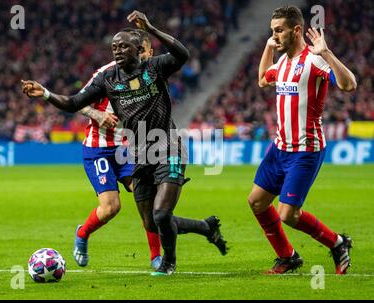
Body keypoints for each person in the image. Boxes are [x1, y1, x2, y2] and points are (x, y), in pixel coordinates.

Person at [21, 11, 228, 276]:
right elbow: (74, 103)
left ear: (139, 49)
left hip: (168, 147)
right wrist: (46, 93)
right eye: (114, 46)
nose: (117, 50)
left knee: (162, 215)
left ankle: (167, 262)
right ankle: (206, 227)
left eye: (123, 46)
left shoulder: (154, 68)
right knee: (153, 221)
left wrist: (151, 27)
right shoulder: (107, 78)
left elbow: (183, 55)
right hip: (139, 153)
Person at [250, 6, 357, 274]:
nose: (275, 35)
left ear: (296, 30)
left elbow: (348, 85)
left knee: (288, 214)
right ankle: (287, 257)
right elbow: (263, 80)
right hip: (280, 148)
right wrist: (268, 46)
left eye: (279, 30)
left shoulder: (315, 60)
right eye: (272, 30)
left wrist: (327, 52)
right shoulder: (283, 63)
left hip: (305, 150)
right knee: (257, 202)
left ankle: (337, 242)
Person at [72, 29, 163, 270]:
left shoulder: (150, 74)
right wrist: (97, 113)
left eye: (146, 52)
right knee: (111, 208)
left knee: (147, 199)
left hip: (127, 149)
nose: (143, 56)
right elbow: (76, 102)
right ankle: (83, 233)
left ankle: (156, 256)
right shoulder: (106, 74)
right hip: (99, 148)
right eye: (139, 51)